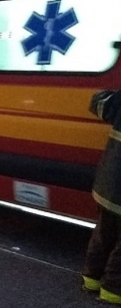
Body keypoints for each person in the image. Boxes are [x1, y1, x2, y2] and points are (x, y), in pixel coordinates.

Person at [82, 90, 121, 304]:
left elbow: (97, 102)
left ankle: (91, 279)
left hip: (108, 186)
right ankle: (113, 291)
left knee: (104, 235)